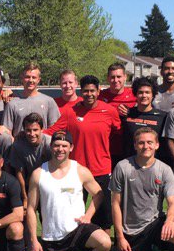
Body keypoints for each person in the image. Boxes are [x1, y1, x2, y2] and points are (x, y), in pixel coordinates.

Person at [25, 131, 110, 251]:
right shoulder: (38, 174)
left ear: (71, 147)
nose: (60, 149)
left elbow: (99, 194)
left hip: (78, 228)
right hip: (53, 237)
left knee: (105, 242)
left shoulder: (80, 170)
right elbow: (30, 208)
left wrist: (88, 215)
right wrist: (33, 240)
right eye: (56, 145)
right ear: (51, 147)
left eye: (64, 146)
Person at [111, 127, 174, 251]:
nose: (146, 146)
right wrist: (120, 236)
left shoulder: (164, 170)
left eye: (150, 142)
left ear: (157, 145)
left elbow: (173, 203)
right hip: (132, 230)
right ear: (135, 145)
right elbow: (115, 203)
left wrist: (169, 221)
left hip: (155, 223)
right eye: (142, 142)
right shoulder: (122, 167)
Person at [46, 75, 122, 231]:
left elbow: (117, 132)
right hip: (77, 170)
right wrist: (28, 135)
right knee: (73, 211)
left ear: (98, 91)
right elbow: (52, 132)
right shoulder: (70, 112)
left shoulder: (109, 111)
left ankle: (103, 250)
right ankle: (75, 243)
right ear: (81, 91)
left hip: (101, 168)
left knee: (103, 214)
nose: (89, 94)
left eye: (92, 91)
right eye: (86, 91)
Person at [1, 62, 60, 134]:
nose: (31, 80)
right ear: (22, 78)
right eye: (27, 77)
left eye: (34, 77)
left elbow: (55, 130)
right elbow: (7, 132)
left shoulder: (49, 101)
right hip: (19, 144)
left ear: (39, 80)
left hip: (42, 145)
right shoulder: (12, 104)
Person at [121, 76, 168, 161]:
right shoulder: (127, 114)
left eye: (147, 92)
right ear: (135, 94)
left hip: (153, 165)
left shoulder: (163, 117)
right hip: (130, 164)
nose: (144, 95)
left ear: (153, 95)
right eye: (140, 92)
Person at [8, 112, 51, 201]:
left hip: (48, 184)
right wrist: (25, 197)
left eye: (35, 130)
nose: (32, 134)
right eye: (28, 130)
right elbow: (19, 172)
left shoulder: (49, 144)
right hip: (29, 184)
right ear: (24, 130)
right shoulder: (18, 145)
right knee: (27, 212)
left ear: (42, 129)